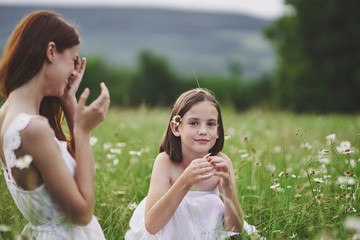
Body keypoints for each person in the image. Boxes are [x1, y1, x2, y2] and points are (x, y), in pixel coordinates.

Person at [0, 11, 110, 239]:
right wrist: (83, 130)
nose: (74, 71)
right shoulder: (33, 129)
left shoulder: (6, 115)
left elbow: (77, 173)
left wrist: (69, 103)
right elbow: (82, 214)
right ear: (51, 51)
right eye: (73, 60)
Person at [125, 88, 260, 239]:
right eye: (194, 123)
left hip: (208, 231)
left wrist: (228, 186)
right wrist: (185, 181)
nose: (203, 131)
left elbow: (234, 228)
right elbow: (152, 226)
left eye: (210, 124)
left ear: (218, 131)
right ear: (176, 128)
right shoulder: (165, 162)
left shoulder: (222, 162)